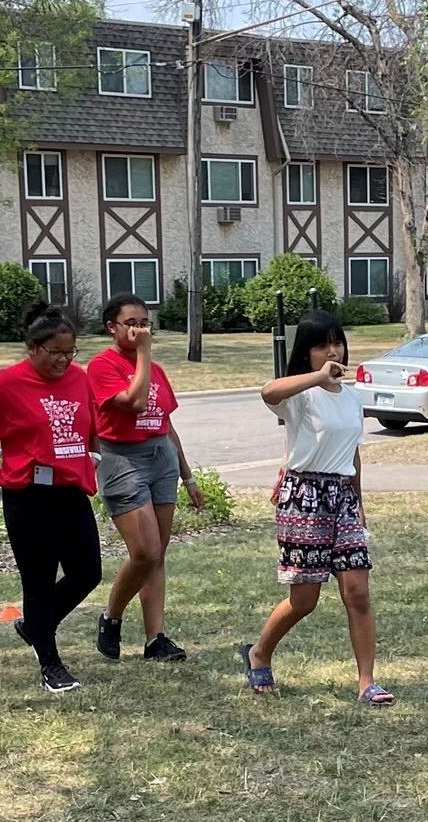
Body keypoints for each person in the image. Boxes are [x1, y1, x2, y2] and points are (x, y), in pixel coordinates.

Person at [239, 311, 392, 705]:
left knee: (357, 591)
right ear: (306, 353)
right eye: (322, 344)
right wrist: (318, 377)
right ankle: (259, 652)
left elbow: (352, 454)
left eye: (337, 342)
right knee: (304, 599)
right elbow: (267, 391)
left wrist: (358, 503)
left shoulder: (352, 397)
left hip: (342, 497)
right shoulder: (300, 396)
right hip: (304, 496)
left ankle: (366, 682)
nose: (333, 351)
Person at [0, 304, 104, 693]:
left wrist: (94, 456)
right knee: (38, 583)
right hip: (28, 496)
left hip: (71, 491)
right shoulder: (8, 383)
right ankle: (51, 665)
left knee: (88, 573)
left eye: (70, 352)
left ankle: (34, 625)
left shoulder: (79, 379)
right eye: (55, 352)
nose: (64, 360)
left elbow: (91, 423)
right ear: (32, 348)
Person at [85, 292, 204, 663]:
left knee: (158, 554)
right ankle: (112, 616)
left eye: (144, 322)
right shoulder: (101, 367)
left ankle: (156, 640)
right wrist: (143, 354)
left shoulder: (155, 369)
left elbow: (165, 423)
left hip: (160, 457)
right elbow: (135, 402)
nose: (139, 329)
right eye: (131, 323)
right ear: (111, 328)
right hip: (122, 458)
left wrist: (187, 476)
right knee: (145, 551)